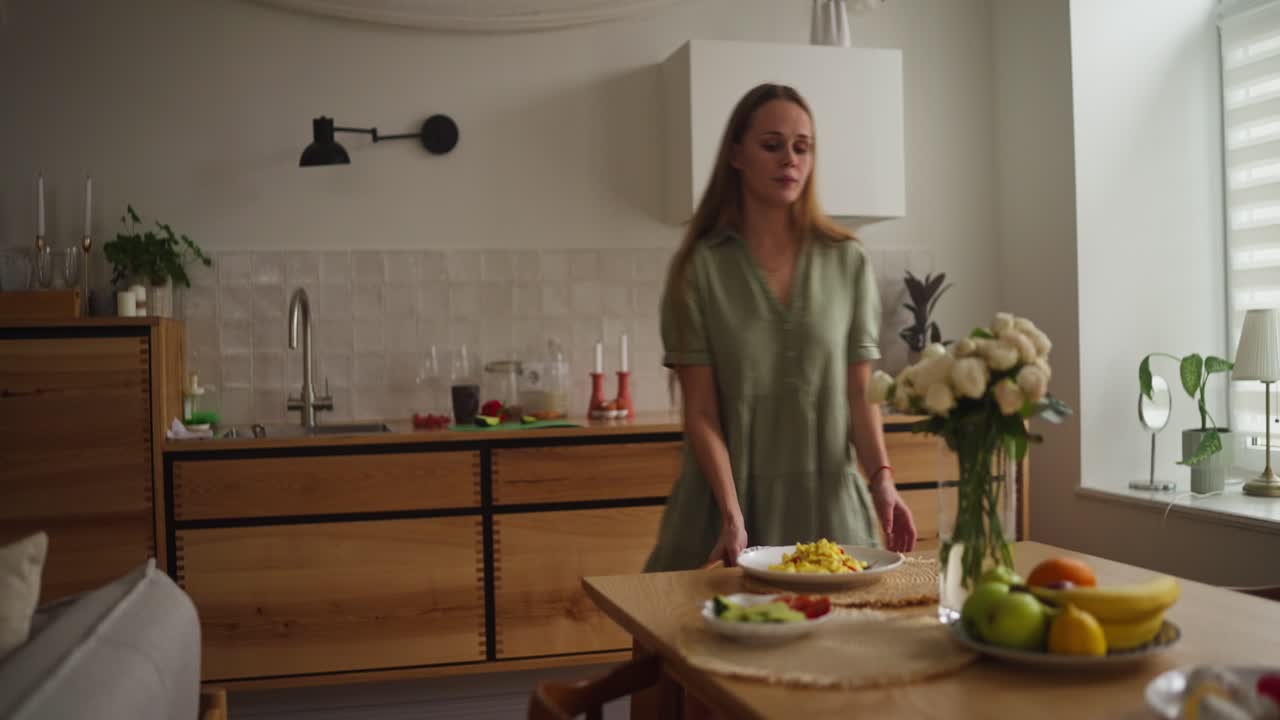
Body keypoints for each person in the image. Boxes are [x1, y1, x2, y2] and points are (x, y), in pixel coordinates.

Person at [644, 82, 917, 572]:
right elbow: (702, 413)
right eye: (771, 145)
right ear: (736, 155)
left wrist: (883, 482)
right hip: (726, 506)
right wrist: (731, 515)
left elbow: (860, 395)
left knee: (843, 644)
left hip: (829, 505)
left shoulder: (847, 261)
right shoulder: (699, 269)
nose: (789, 159)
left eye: (801, 147)